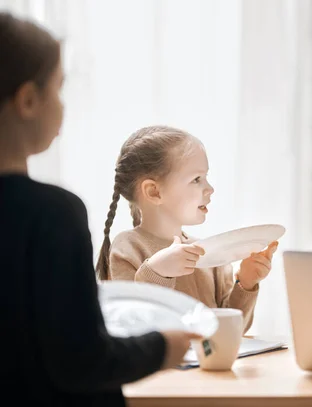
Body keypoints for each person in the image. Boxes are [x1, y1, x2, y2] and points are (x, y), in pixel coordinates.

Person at [0, 12, 198, 405]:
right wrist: (162, 348)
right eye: (58, 89)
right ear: (28, 100)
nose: (62, 105)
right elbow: (80, 359)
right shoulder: (53, 216)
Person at [95, 125, 278, 333]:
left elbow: (231, 331)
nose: (210, 188)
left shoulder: (209, 254)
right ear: (154, 191)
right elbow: (133, 326)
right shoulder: (128, 247)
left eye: (206, 177)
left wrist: (246, 283)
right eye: (196, 179)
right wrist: (157, 273)